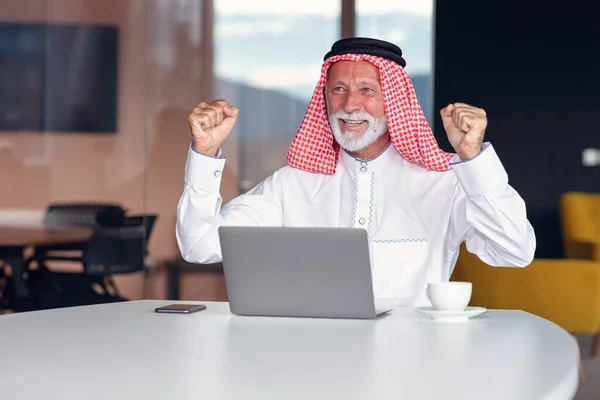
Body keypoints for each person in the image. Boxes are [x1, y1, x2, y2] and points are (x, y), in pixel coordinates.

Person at [176, 37, 536, 307]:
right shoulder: (293, 183)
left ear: (393, 101)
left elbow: (515, 250)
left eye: (367, 90)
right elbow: (198, 246)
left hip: (413, 368)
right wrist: (205, 154)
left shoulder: (443, 183)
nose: (350, 104)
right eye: (339, 90)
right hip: (310, 365)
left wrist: (473, 160)